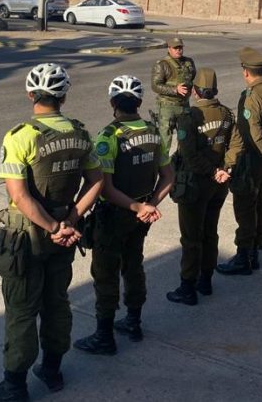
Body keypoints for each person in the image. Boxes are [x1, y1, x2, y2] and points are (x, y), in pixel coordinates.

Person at [0, 63, 104, 402]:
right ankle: (52, 371)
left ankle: (14, 386)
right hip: (64, 236)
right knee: (56, 303)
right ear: (63, 96)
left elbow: (19, 195)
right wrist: (71, 221)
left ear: (31, 95)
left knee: (21, 309)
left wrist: (50, 228)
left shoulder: (21, 136)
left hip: (27, 239)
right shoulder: (80, 134)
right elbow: (96, 182)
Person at [74, 75, 174, 355]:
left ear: (112, 103)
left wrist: (136, 207)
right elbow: (168, 176)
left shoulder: (110, 136)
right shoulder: (153, 132)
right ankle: (133, 321)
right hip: (140, 217)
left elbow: (104, 186)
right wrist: (150, 204)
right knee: (134, 265)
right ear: (139, 102)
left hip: (116, 215)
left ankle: (104, 336)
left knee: (106, 274)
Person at [166, 68, 238, 305]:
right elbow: (236, 144)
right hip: (218, 186)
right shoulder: (227, 114)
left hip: (195, 185)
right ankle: (205, 280)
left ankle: (188, 286)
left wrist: (212, 170)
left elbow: (188, 155)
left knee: (191, 238)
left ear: (196, 91)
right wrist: (224, 168)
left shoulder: (190, 117)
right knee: (210, 232)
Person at [216, 48, 262, 275]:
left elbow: (251, 132)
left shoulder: (252, 97)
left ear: (246, 72)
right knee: (261, 205)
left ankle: (243, 258)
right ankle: (254, 252)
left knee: (245, 210)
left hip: (252, 163)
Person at [151, 37, 197, 152]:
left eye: (180, 47)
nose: (178, 50)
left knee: (186, 139)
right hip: (168, 106)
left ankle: (181, 165)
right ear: (169, 48)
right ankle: (162, 166)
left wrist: (195, 88)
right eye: (175, 48)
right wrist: (175, 89)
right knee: (165, 140)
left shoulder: (189, 62)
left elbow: (194, 78)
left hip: (184, 105)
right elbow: (155, 85)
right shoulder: (162, 65)